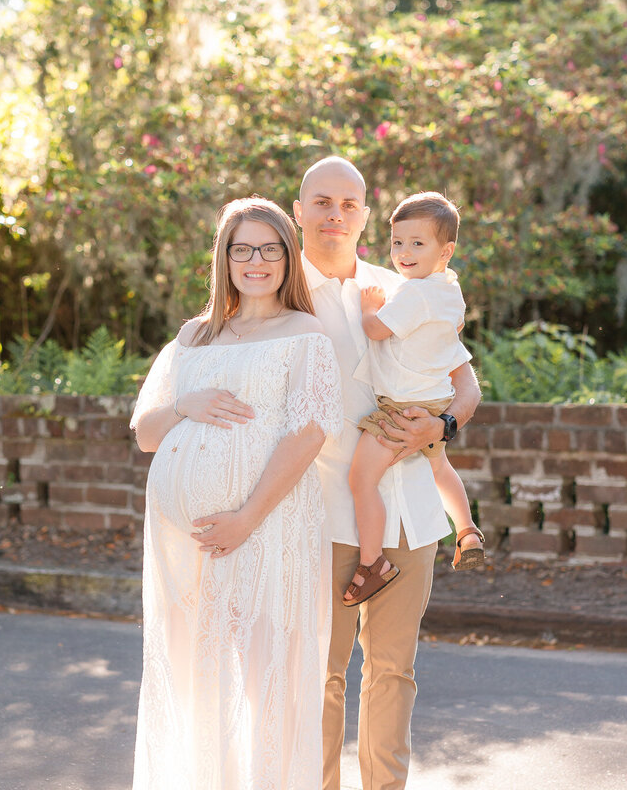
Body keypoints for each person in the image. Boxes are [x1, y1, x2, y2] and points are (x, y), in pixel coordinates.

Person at [129, 196, 343, 790]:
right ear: (224, 257)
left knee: (264, 679)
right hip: (186, 546)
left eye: (270, 249)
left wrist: (246, 517)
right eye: (243, 248)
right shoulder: (195, 335)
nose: (256, 261)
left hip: (265, 529)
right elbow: (146, 434)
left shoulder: (306, 334)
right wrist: (183, 404)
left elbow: (310, 432)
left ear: (287, 257)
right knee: (195, 679)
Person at [293, 157, 482, 790]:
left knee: (394, 672)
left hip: (414, 511)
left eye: (348, 203)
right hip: (328, 511)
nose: (334, 214)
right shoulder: (281, 292)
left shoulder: (404, 283)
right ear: (299, 211)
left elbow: (465, 380)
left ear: (365, 216)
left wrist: (444, 428)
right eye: (321, 201)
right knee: (322, 673)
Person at [342, 191, 484, 607]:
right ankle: (467, 529)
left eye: (417, 244)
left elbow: (377, 331)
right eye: (397, 242)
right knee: (439, 465)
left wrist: (370, 308)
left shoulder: (413, 293)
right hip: (436, 403)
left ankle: (373, 564)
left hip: (401, 409)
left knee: (361, 479)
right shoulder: (449, 289)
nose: (403, 253)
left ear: (446, 250)